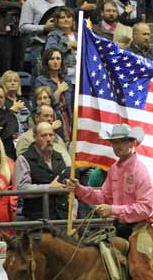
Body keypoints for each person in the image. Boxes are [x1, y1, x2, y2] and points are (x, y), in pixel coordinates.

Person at [67, 124, 153, 280]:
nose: (117, 146)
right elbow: (103, 197)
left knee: (139, 269)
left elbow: (146, 208)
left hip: (139, 227)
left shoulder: (139, 170)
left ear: (131, 143)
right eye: (114, 142)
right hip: (117, 226)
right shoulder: (114, 169)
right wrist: (80, 189)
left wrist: (113, 210)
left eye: (121, 141)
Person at [16, 121, 73, 220]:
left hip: (62, 217)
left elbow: (69, 189)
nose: (48, 139)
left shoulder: (59, 156)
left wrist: (73, 212)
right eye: (44, 135)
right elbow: (22, 189)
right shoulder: (24, 159)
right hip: (37, 220)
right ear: (35, 137)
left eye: (51, 135)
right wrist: (49, 187)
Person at [19, 0, 64, 76]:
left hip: (58, 46)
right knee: (39, 79)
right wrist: (44, 27)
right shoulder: (30, 3)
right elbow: (22, 27)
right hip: (39, 46)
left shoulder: (60, 4)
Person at [34, 48, 72, 144]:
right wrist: (58, 92)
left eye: (58, 58)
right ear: (47, 62)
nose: (55, 61)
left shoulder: (66, 80)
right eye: (52, 59)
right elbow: (41, 105)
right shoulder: (40, 81)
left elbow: (71, 103)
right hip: (52, 117)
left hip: (68, 118)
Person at [45, 6, 77, 84]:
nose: (66, 20)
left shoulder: (79, 35)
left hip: (81, 76)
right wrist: (67, 46)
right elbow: (49, 53)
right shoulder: (53, 35)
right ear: (57, 21)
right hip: (64, 76)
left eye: (69, 17)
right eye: (62, 17)